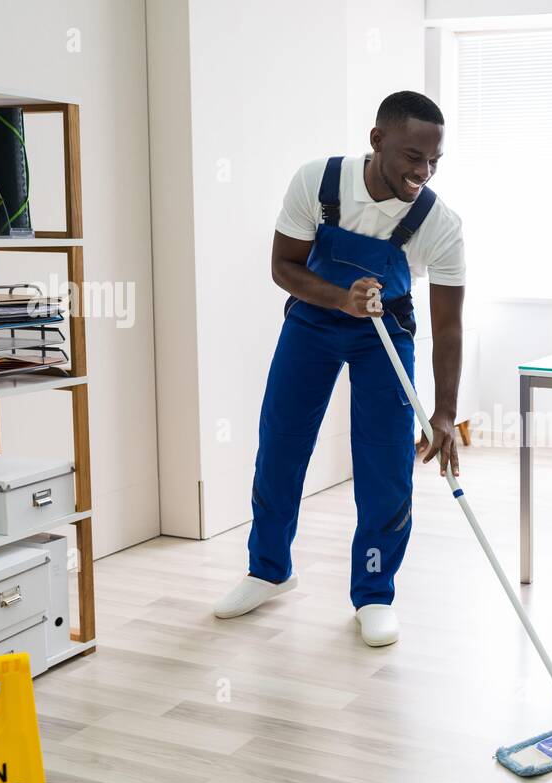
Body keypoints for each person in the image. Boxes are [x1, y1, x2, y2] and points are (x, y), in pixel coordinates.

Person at [212, 91, 466, 647]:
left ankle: (374, 593)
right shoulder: (318, 183)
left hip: (388, 334)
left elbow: (449, 326)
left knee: (384, 464)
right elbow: (283, 265)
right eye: (411, 157)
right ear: (377, 141)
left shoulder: (438, 222)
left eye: (433, 162)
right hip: (314, 322)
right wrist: (339, 299)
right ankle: (268, 570)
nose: (422, 172)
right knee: (280, 445)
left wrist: (444, 413)